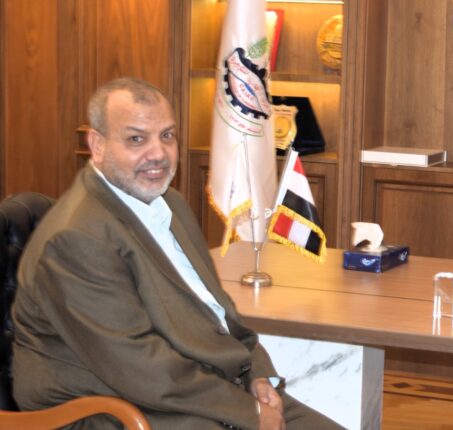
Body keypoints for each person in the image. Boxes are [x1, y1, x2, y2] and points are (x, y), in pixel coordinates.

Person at [11, 77, 343, 430]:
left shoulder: (171, 203)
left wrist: (259, 376)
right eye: (136, 139)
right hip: (114, 409)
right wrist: (250, 413)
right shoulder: (76, 239)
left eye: (167, 135)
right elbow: (137, 365)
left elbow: (220, 313)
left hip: (196, 389)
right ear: (97, 144)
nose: (158, 153)